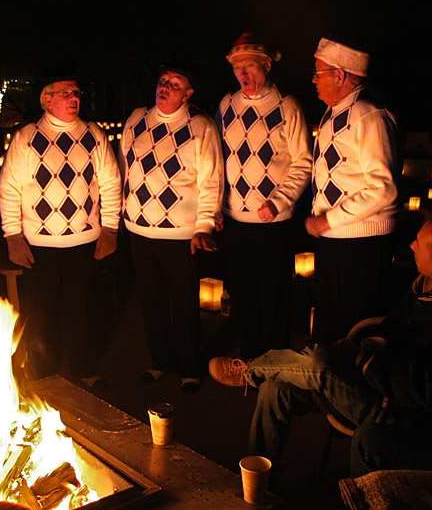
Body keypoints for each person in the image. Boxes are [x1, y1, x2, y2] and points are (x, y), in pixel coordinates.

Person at [209, 209, 432, 472]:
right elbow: (390, 326)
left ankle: (251, 369)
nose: (412, 245)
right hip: (368, 381)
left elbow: (427, 394)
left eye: (419, 243)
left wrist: (366, 358)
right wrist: (367, 346)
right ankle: (257, 477)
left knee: (319, 363)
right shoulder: (428, 285)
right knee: (275, 388)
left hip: (396, 411)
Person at [0, 73, 121, 386]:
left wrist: (110, 230)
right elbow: (9, 188)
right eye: (65, 92)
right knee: (41, 315)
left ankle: (82, 369)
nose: (74, 97)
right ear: (47, 99)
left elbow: (110, 183)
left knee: (79, 311)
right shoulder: (27, 137)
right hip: (39, 245)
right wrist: (13, 235)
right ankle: (42, 376)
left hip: (85, 241)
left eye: (76, 92)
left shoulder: (93, 135)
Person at [119, 64, 221, 390]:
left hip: (180, 233)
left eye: (175, 84)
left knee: (184, 302)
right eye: (163, 81)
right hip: (139, 230)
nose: (165, 87)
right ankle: (160, 361)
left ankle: (189, 367)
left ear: (188, 94)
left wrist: (204, 225)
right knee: (151, 301)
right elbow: (123, 168)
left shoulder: (200, 126)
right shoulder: (136, 120)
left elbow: (212, 180)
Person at [216, 33, 312, 358]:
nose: (243, 75)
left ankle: (275, 365)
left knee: (274, 297)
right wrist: (216, 207)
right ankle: (250, 364)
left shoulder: (288, 106)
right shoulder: (227, 106)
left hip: (274, 222)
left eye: (250, 67)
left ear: (267, 65)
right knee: (242, 297)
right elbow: (217, 160)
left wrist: (279, 201)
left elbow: (303, 162)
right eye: (237, 68)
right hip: (235, 222)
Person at [305, 37, 400, 344]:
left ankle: (356, 389)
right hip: (338, 239)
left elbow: (383, 189)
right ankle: (328, 386)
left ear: (340, 75)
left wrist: (328, 220)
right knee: (332, 327)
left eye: (319, 73)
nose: (314, 79)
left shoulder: (369, 115)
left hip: (361, 243)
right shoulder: (335, 113)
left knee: (356, 329)